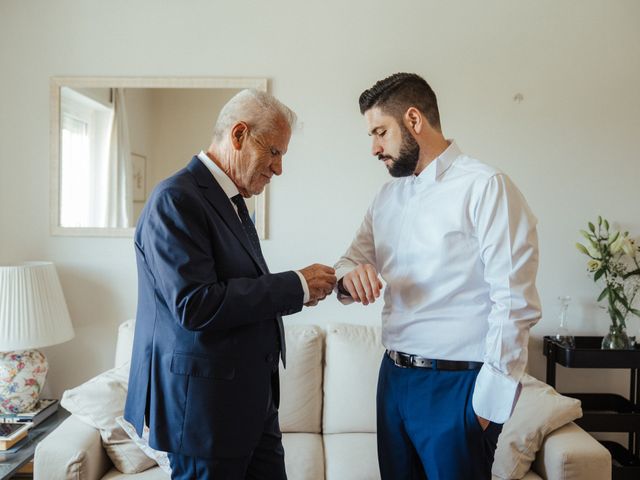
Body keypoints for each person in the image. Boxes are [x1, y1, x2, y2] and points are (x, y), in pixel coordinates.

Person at [334, 73, 541, 480]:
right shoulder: (386, 197)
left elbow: (515, 301)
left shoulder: (486, 187)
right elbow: (347, 261)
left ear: (414, 120)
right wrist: (348, 277)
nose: (374, 148)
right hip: (392, 380)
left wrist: (485, 408)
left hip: (457, 387)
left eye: (380, 132)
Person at [124, 89, 336, 480]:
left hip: (252, 405)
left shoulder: (233, 203)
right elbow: (195, 304)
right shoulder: (175, 199)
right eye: (274, 152)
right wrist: (296, 286)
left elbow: (239, 289)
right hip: (206, 413)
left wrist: (302, 288)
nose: (278, 169)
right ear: (238, 135)